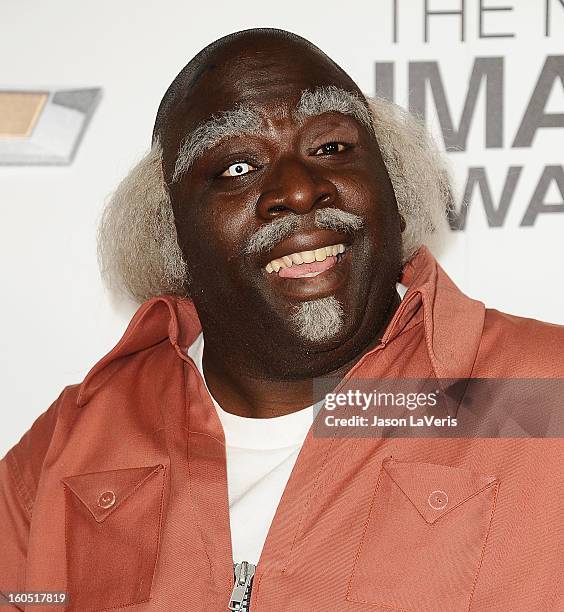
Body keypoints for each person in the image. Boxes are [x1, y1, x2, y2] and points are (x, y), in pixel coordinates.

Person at [1, 28, 563, 612]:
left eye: (331, 148)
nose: (298, 191)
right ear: (170, 236)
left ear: (395, 189)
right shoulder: (63, 454)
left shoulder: (547, 398)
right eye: (237, 167)